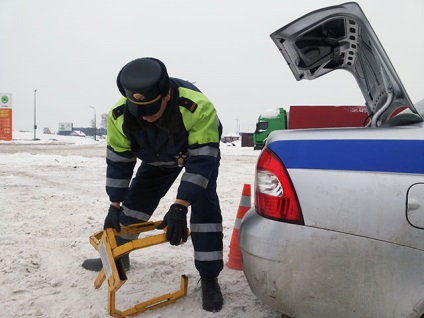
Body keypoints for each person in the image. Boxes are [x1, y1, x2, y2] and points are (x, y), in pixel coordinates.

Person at [82, 57, 224, 312]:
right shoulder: (119, 115)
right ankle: (120, 257)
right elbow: (119, 161)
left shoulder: (196, 108)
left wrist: (180, 206)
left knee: (204, 209)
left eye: (152, 110)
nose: (146, 118)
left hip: (194, 156)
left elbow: (203, 162)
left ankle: (210, 277)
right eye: (140, 111)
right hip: (156, 157)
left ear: (167, 94)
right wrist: (114, 204)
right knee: (133, 206)